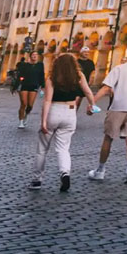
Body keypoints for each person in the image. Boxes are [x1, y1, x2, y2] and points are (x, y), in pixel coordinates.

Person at [29, 51, 98, 193]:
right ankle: (65, 173)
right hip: (70, 112)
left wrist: (43, 122)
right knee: (63, 148)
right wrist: (92, 105)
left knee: (42, 149)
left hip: (54, 111)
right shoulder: (79, 76)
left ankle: (37, 180)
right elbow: (88, 92)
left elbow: (47, 101)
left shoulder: (52, 77)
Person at [88, 43, 127, 185]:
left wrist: (92, 102)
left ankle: (100, 170)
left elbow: (106, 88)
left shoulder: (119, 69)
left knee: (108, 138)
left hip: (118, 107)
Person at [15, 50, 45, 129]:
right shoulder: (25, 65)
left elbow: (42, 75)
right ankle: (21, 121)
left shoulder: (40, 65)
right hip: (24, 85)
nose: (35, 56)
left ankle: (26, 116)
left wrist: (42, 86)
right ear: (30, 56)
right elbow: (20, 75)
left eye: (36, 55)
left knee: (30, 105)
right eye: (33, 55)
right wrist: (17, 85)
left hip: (34, 86)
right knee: (23, 103)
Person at [72, 43, 97, 113]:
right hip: (76, 84)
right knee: (75, 100)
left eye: (87, 52)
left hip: (85, 84)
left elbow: (93, 72)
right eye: (85, 52)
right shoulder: (76, 61)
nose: (86, 53)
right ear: (81, 52)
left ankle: (74, 113)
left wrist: (91, 80)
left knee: (79, 101)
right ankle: (71, 113)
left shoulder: (90, 62)